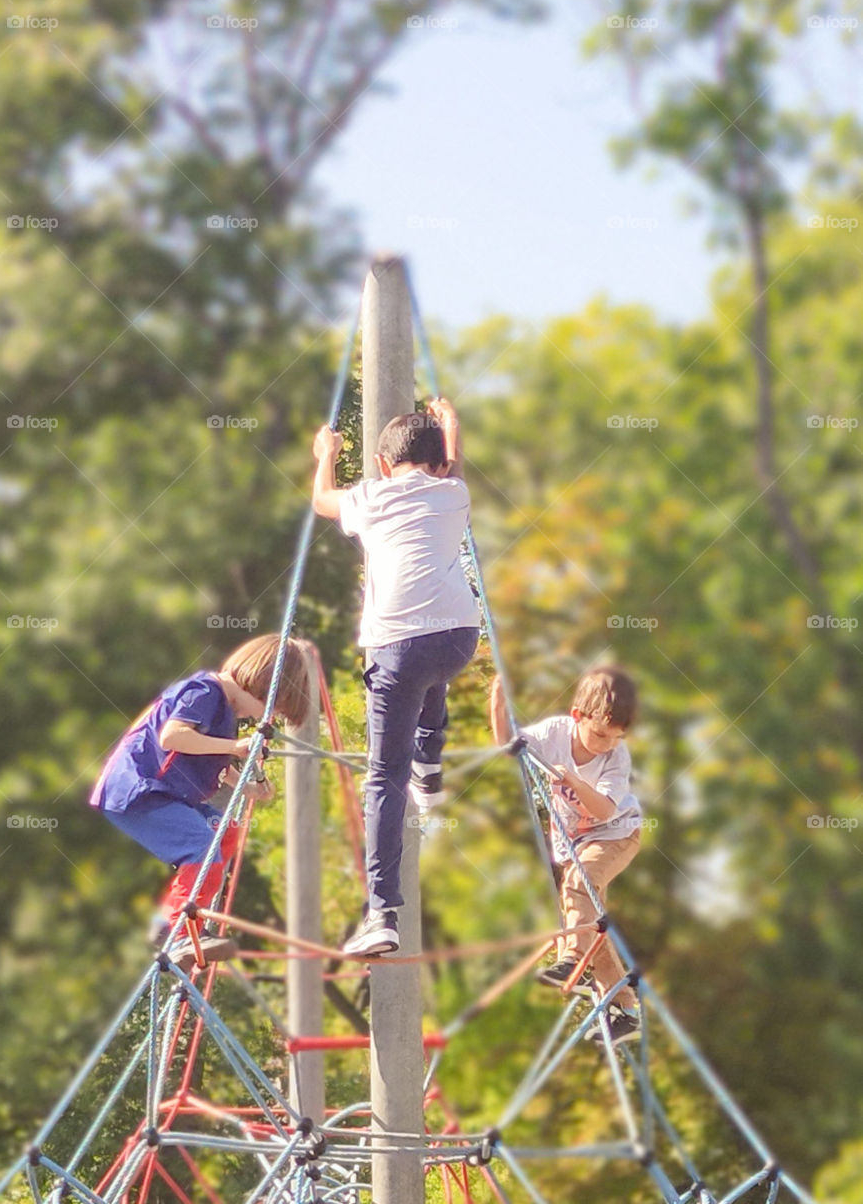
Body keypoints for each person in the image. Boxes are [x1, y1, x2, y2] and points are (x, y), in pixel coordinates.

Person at [312, 399, 480, 956]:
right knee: (432, 672)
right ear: (439, 463)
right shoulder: (455, 495)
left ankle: (382, 912)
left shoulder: (369, 497)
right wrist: (451, 430)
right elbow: (451, 468)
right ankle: (429, 767)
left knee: (383, 778)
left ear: (384, 466)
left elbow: (321, 501)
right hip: (459, 637)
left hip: (398, 645)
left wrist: (326, 456)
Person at [90, 634, 310, 972]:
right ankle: (177, 931)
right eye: (276, 709)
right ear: (264, 689)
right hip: (138, 791)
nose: (271, 718)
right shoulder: (206, 691)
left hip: (165, 794)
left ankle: (172, 921)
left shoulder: (224, 714)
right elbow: (173, 737)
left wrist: (248, 785)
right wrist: (235, 748)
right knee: (200, 843)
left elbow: (209, 760)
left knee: (224, 832)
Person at [490, 665, 642, 1044]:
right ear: (578, 717)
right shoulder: (555, 733)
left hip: (616, 835)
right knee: (591, 925)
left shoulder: (615, 758)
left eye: (616, 737)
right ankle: (625, 1010)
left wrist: (573, 780)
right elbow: (508, 747)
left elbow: (604, 811)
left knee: (579, 885)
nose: (607, 744)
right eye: (601, 735)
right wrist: (498, 701)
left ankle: (575, 961)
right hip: (576, 844)